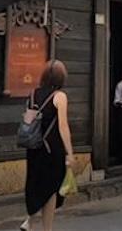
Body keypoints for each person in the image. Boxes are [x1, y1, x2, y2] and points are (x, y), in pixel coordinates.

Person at [22, 60, 76, 231]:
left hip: (34, 147)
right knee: (51, 187)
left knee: (35, 183)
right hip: (52, 148)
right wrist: (70, 152)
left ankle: (29, 220)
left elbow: (28, 119)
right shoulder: (60, 96)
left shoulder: (33, 94)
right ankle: (47, 228)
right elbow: (63, 126)